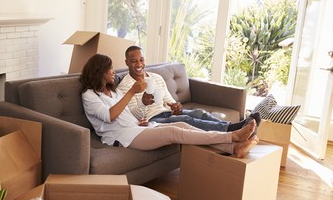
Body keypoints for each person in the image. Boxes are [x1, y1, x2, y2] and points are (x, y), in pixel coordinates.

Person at [80, 53, 259, 158]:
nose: (113, 72)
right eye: (109, 69)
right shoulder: (89, 96)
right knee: (174, 132)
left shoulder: (113, 92)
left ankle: (234, 148)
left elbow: (127, 113)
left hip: (136, 128)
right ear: (99, 72)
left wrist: (141, 109)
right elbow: (109, 116)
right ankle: (231, 136)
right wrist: (132, 92)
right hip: (122, 137)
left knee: (181, 125)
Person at [118, 45, 261, 133]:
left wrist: (175, 107)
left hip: (166, 113)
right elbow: (134, 115)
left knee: (200, 113)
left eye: (141, 60)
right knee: (186, 119)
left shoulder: (156, 77)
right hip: (152, 120)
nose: (139, 64)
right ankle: (232, 129)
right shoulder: (125, 86)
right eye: (133, 61)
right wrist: (143, 102)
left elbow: (168, 100)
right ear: (127, 63)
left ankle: (232, 126)